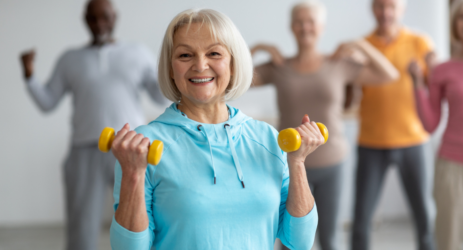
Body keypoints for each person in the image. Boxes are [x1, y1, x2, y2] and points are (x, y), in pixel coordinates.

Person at [109, 8, 323, 250]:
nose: (200, 65)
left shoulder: (267, 138)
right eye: (185, 55)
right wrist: (133, 174)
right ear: (170, 68)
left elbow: (299, 242)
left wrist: (297, 163)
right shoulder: (143, 146)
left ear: (232, 63)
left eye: (214, 53)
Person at [19, 0, 167, 249]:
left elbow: (160, 97)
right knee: (82, 226)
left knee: (144, 219)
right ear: (85, 20)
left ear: (114, 17)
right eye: (93, 18)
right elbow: (47, 102)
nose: (99, 24)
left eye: (105, 17)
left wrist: (169, 72)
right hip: (84, 151)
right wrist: (29, 75)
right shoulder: (70, 59)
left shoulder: (138, 53)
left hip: (131, 149)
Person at [250, 1, 399, 249]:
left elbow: (390, 74)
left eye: (311, 21)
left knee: (329, 239)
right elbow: (232, 78)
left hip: (332, 163)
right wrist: (259, 48)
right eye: (299, 21)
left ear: (321, 27)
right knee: (290, 241)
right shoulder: (279, 67)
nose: (305, 27)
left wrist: (360, 45)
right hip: (289, 166)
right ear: (292, 27)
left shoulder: (337, 64)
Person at [351, 0, 436, 249]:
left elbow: (436, 90)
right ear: (372, 9)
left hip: (414, 141)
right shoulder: (362, 47)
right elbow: (353, 96)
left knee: (424, 216)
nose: (385, 12)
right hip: (370, 142)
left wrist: (422, 76)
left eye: (391, 6)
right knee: (361, 219)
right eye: (380, 6)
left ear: (402, 9)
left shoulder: (420, 42)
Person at [409, 0, 463, 249]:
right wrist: (417, 84)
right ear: (454, 24)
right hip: (452, 165)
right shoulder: (442, 70)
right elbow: (429, 123)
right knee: (448, 242)